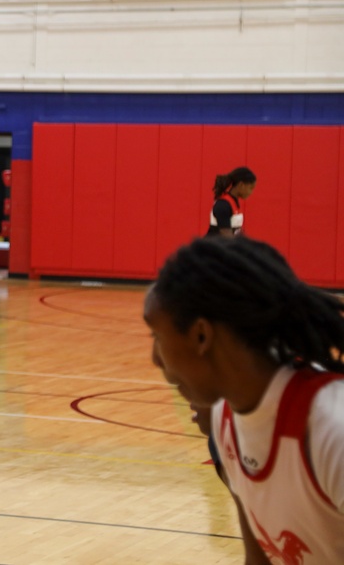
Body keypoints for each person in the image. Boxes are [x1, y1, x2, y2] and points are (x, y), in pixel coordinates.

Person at [144, 235, 344, 564]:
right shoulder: (227, 420)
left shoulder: (331, 430)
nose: (154, 357)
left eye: (157, 335)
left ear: (201, 336)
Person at [207, 166, 256, 237]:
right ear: (241, 185)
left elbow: (236, 233)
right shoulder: (223, 205)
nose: (251, 192)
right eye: (251, 188)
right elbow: (226, 236)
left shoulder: (234, 203)